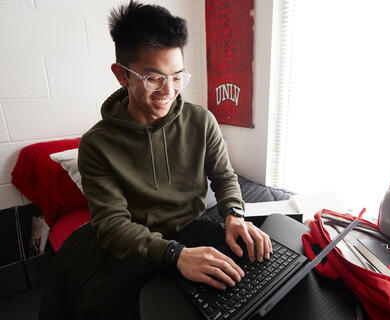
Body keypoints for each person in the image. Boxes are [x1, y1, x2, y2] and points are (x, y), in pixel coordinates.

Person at [39, 1, 271, 319]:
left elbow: (224, 176)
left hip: (190, 227)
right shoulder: (97, 144)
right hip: (130, 244)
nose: (168, 90)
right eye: (153, 78)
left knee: (255, 269)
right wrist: (176, 256)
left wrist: (233, 215)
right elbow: (113, 225)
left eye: (177, 77)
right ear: (122, 75)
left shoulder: (202, 121)